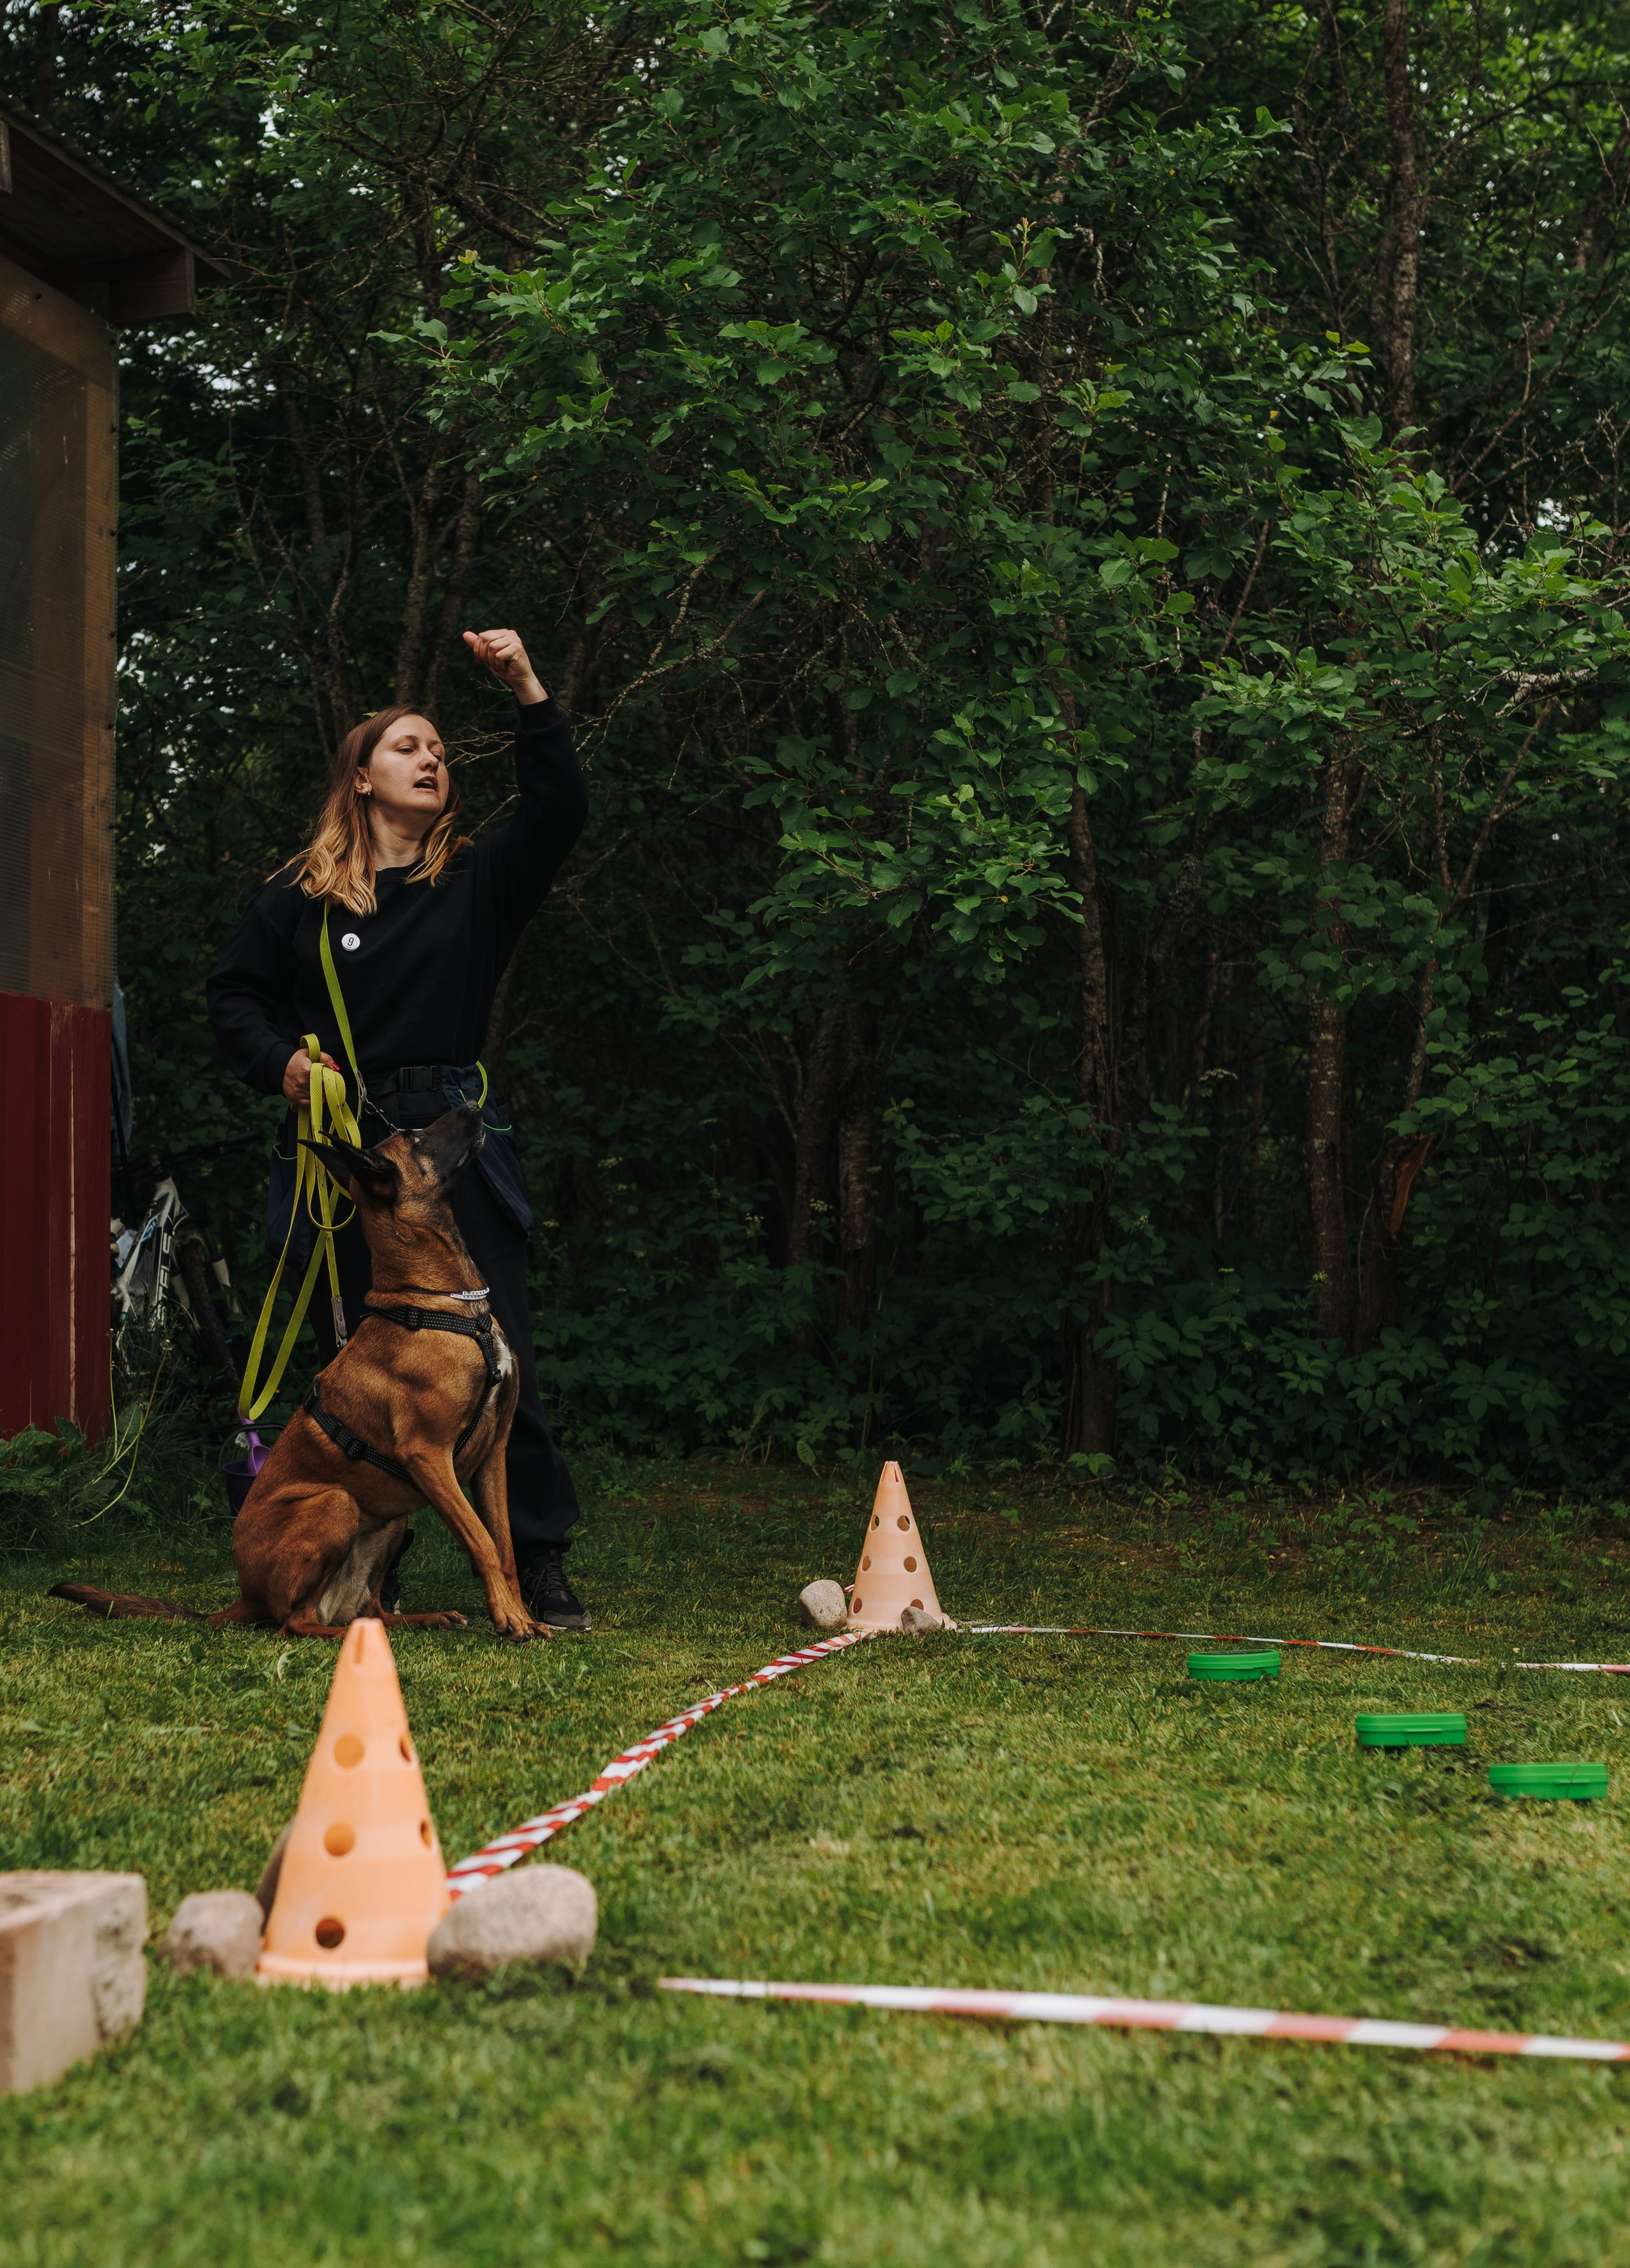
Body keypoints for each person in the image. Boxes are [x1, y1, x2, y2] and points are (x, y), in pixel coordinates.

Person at [206, 628, 592, 1628]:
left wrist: (526, 688)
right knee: (361, 1368)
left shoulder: (473, 882)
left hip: (455, 1136)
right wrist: (282, 1063)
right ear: (362, 779)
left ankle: (536, 1560)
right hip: (350, 1152)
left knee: (497, 1356)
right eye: (408, 746)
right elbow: (234, 998)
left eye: (439, 751)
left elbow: (561, 808)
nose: (431, 759)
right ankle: (373, 1566)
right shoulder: (301, 896)